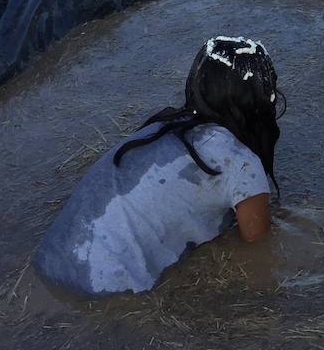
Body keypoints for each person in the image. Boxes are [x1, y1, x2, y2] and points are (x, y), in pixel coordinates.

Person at [33, 37, 283, 297]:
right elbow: (257, 247)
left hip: (52, 259)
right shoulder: (241, 163)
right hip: (105, 289)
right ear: (261, 101)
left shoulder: (160, 126)